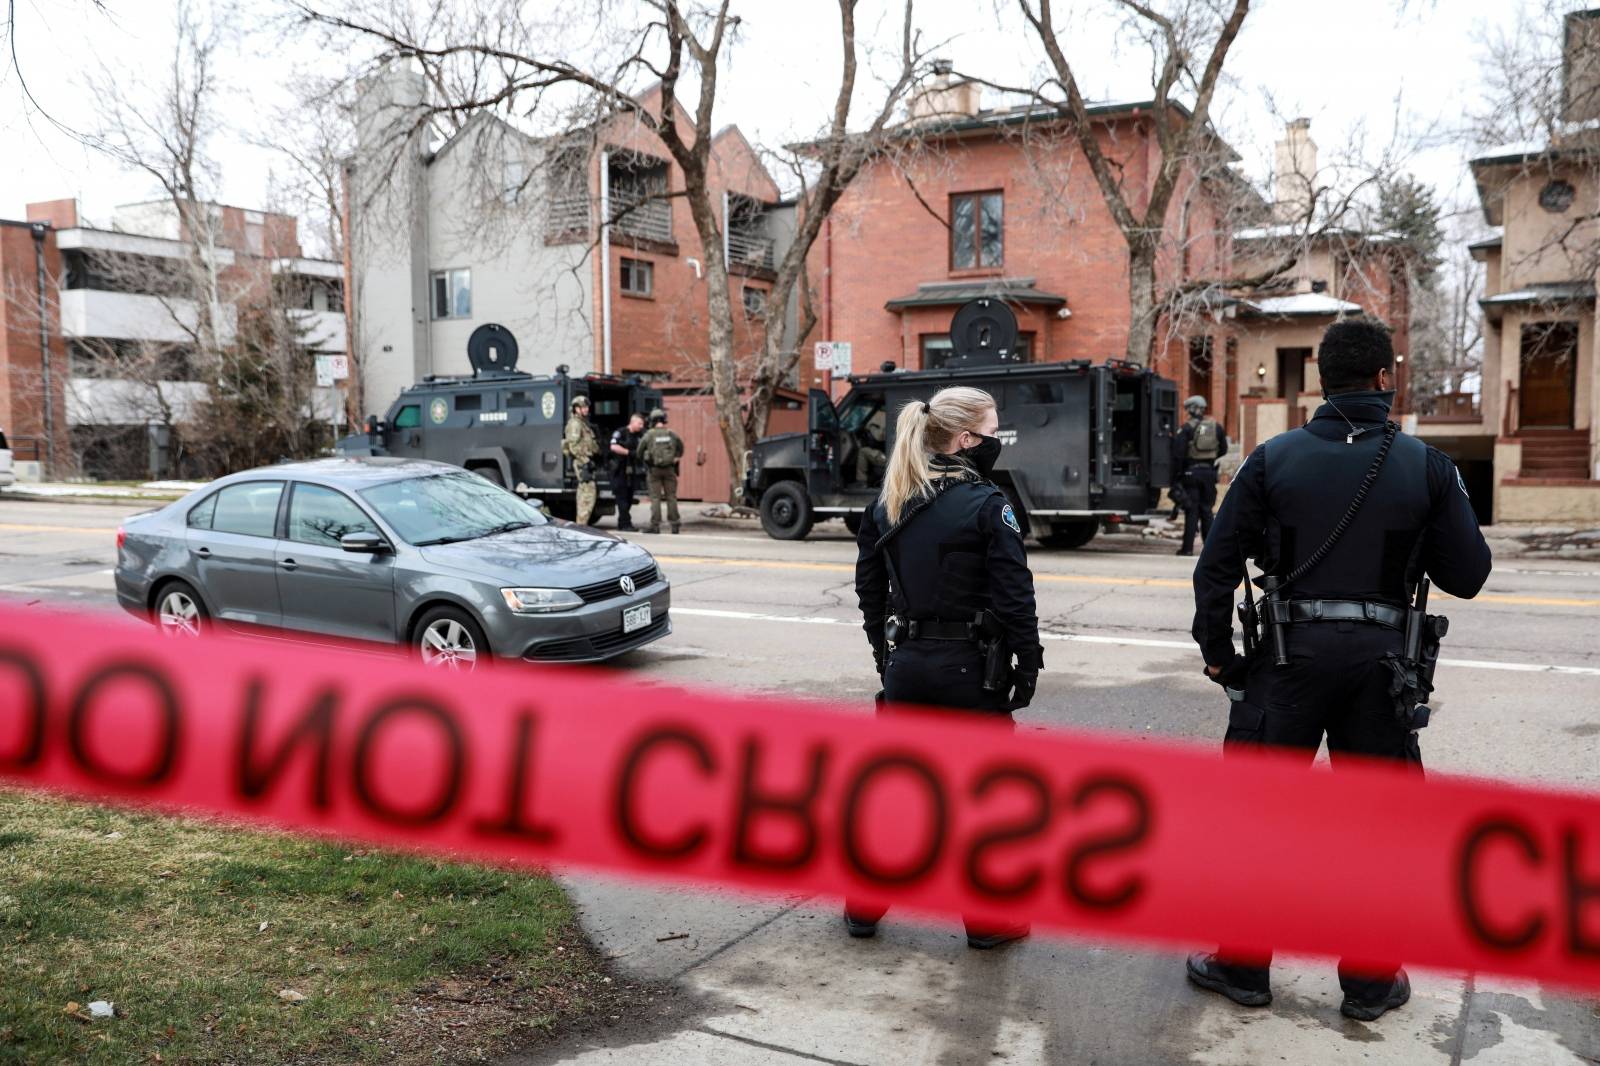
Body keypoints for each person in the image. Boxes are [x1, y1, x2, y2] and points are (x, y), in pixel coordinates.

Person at [1186, 318, 1491, 1021]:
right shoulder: (1425, 464)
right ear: (1386, 379)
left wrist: (1219, 654)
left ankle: (1244, 968)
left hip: (1287, 661)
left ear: (1323, 380)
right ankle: (1370, 982)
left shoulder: (1273, 458)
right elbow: (1468, 576)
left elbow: (1217, 565)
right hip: (1382, 666)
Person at [850, 386, 1044, 949]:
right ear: (964, 440)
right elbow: (1016, 596)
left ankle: (864, 905)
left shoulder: (890, 498)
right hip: (969, 672)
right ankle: (986, 921)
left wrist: (886, 658)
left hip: (908, 667)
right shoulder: (989, 503)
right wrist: (1028, 666)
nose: (997, 442)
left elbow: (869, 591)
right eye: (992, 432)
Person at [1172, 395, 1228, 556]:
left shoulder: (1186, 428)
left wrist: (1177, 475)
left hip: (1191, 473)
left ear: (1191, 409)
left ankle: (1187, 549)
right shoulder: (1216, 427)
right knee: (1207, 511)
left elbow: (1178, 454)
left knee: (1192, 511)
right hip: (1209, 473)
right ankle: (1210, 551)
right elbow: (1223, 449)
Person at [636, 408, 684, 534]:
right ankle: (675, 525)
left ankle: (655, 525)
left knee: (655, 498)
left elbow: (639, 451)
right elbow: (681, 447)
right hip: (670, 469)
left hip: (654, 470)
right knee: (671, 497)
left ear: (652, 420)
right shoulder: (671, 434)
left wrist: (645, 460)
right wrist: (675, 457)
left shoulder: (649, 434)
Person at [563, 395, 600, 525]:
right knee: (588, 493)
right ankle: (581, 525)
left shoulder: (583, 423)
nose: (586, 409)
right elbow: (573, 445)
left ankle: (581, 524)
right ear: (576, 409)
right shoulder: (575, 424)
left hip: (586, 461)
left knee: (584, 492)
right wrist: (585, 461)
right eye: (583, 407)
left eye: (587, 407)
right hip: (582, 462)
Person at [609, 412, 646, 531]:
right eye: (639, 423)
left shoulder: (640, 435)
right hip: (619, 470)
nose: (641, 426)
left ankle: (622, 522)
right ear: (633, 422)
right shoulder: (620, 432)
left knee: (629, 498)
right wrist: (629, 453)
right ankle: (626, 524)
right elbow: (613, 447)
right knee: (622, 498)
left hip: (632, 471)